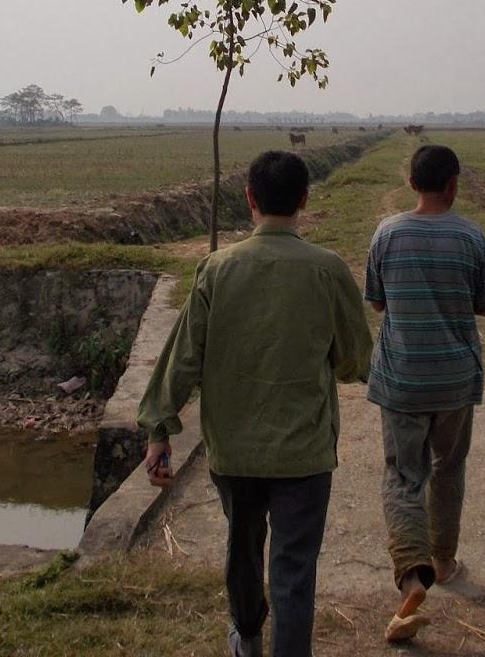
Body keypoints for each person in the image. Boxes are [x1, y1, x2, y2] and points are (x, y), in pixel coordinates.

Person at [138, 150, 372, 657]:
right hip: (305, 452)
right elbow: (354, 360)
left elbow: (182, 359)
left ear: (249, 199)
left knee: (243, 548)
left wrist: (159, 429)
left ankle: (246, 636)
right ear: (305, 200)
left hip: (234, 452)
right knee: (293, 566)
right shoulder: (327, 270)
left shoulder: (216, 270)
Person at [364, 144, 485, 643]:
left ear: (411, 184)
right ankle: (443, 561)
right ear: (453, 184)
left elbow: (376, 301)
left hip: (402, 379)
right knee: (449, 468)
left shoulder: (387, 233)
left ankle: (411, 573)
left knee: (404, 475)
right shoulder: (472, 236)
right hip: (455, 381)